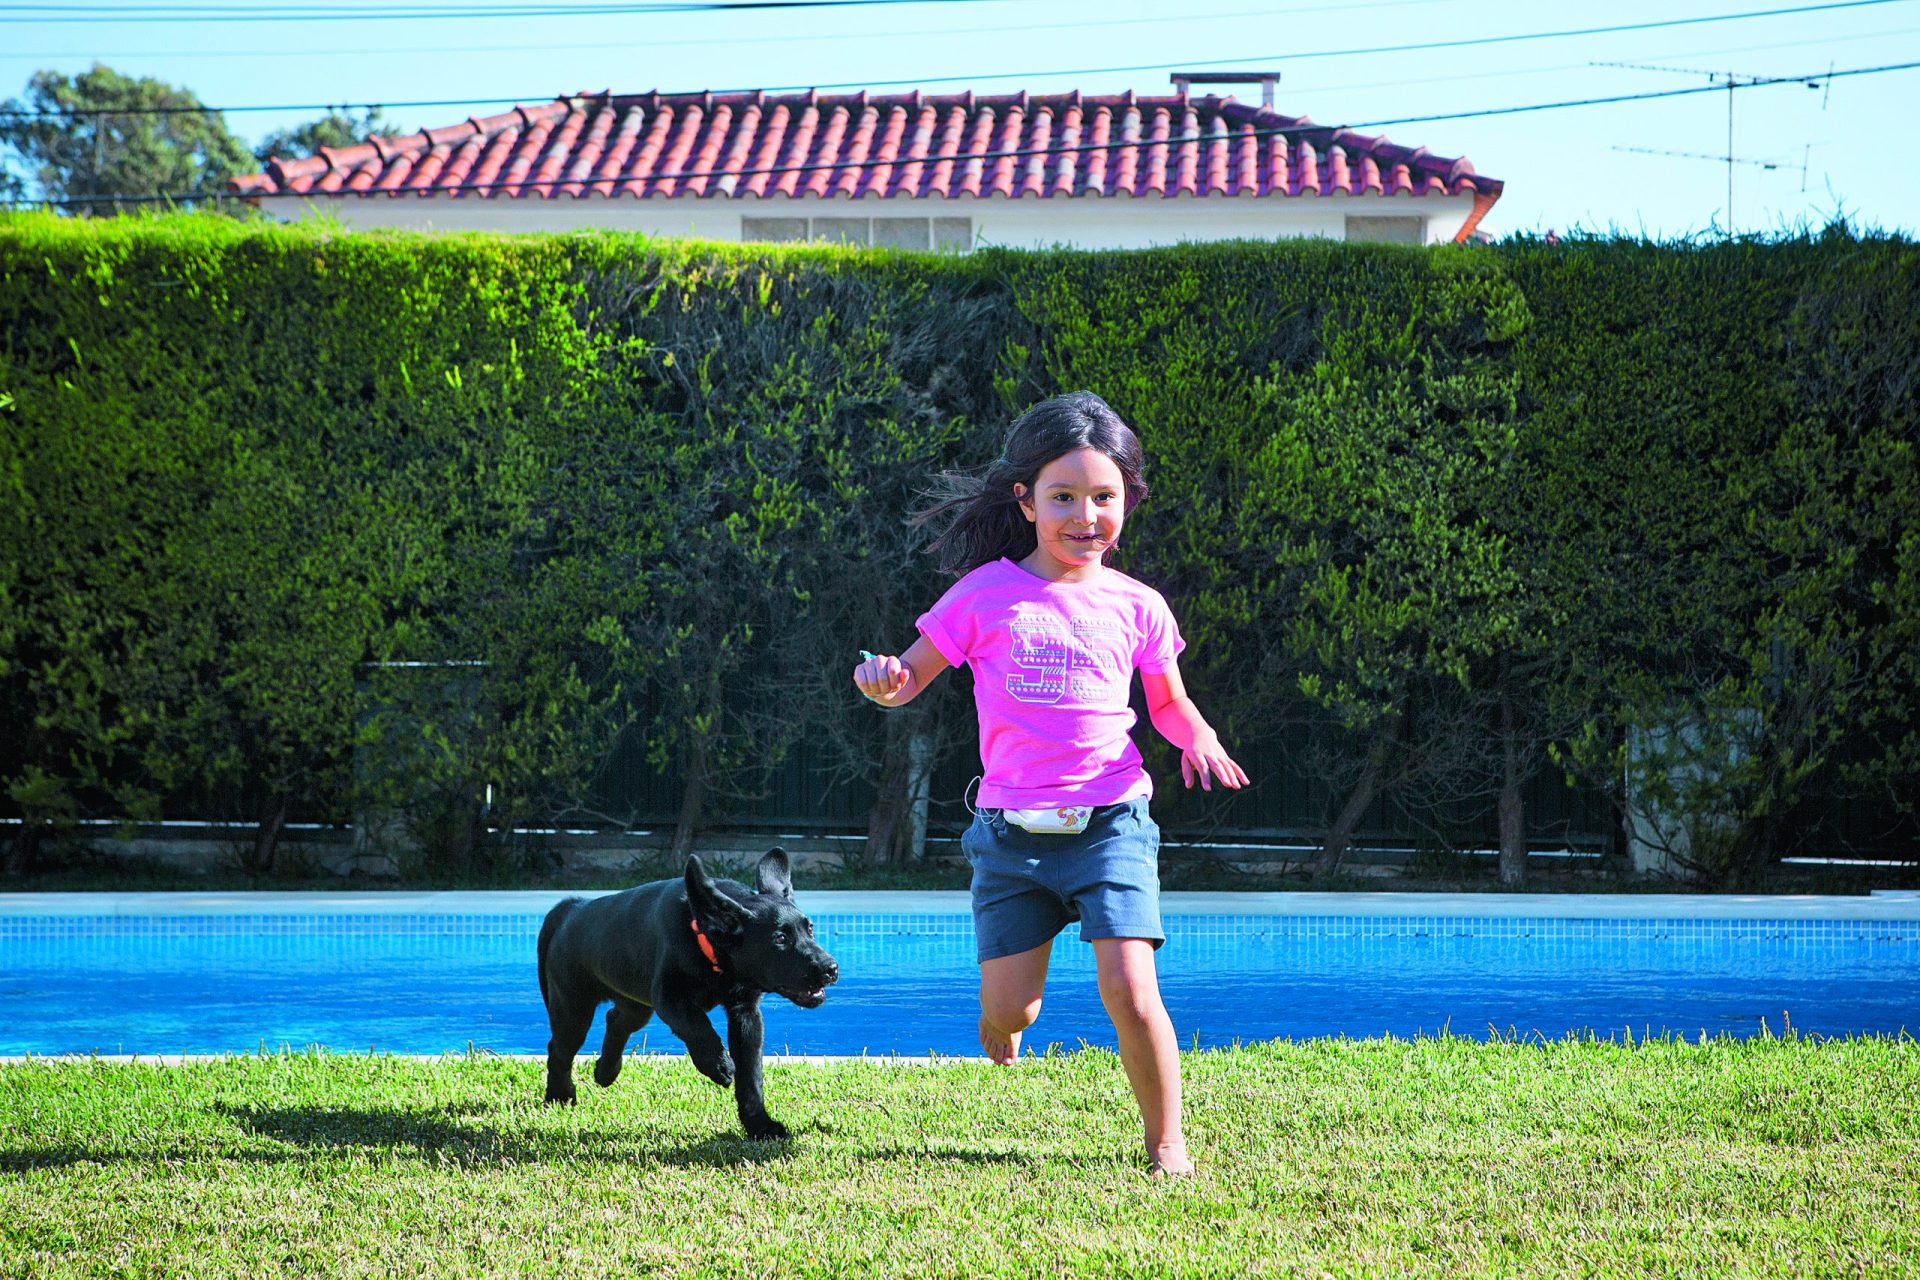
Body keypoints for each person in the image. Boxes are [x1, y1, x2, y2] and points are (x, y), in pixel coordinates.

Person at [852, 390, 1247, 1177]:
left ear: (1127, 500)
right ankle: (1002, 1016)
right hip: (1011, 838)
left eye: (1104, 497)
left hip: (1114, 822)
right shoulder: (984, 594)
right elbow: (908, 679)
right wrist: (882, 682)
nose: (1085, 516)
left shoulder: (1139, 606)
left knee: (1133, 988)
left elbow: (1165, 701)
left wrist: (1197, 735)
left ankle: (1166, 1143)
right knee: (1013, 1008)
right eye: (1063, 496)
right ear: (1025, 499)